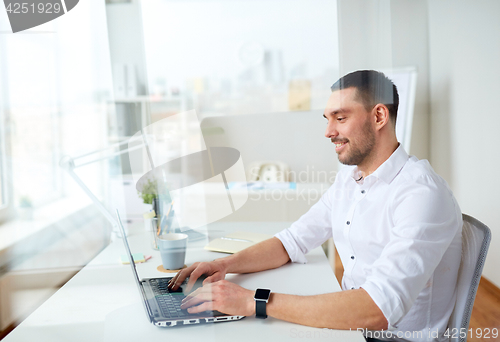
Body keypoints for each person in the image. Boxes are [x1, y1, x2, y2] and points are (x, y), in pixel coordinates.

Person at [168, 70, 462, 342]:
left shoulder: (420, 194)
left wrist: (252, 300)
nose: (328, 131)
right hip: (353, 325)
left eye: (340, 118)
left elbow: (377, 310)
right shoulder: (351, 179)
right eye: (327, 119)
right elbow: (292, 241)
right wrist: (223, 266)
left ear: (379, 116)